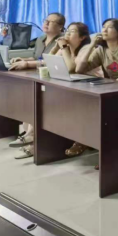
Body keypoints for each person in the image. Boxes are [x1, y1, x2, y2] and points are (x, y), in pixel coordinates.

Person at [8, 12, 66, 159]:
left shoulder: (62, 41)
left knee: (36, 103)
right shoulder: (41, 39)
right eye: (46, 20)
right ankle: (28, 136)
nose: (46, 23)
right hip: (37, 76)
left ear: (60, 27)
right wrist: (24, 59)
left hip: (53, 79)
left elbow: (51, 61)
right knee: (26, 102)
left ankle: (32, 140)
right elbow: (37, 57)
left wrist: (28, 64)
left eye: (51, 22)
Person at [48, 22, 102, 158]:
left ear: (82, 37)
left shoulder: (87, 48)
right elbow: (48, 60)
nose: (67, 33)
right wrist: (56, 47)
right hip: (75, 86)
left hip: (94, 87)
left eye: (72, 31)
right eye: (67, 30)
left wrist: (63, 48)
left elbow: (72, 69)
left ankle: (82, 140)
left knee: (73, 106)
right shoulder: (65, 47)